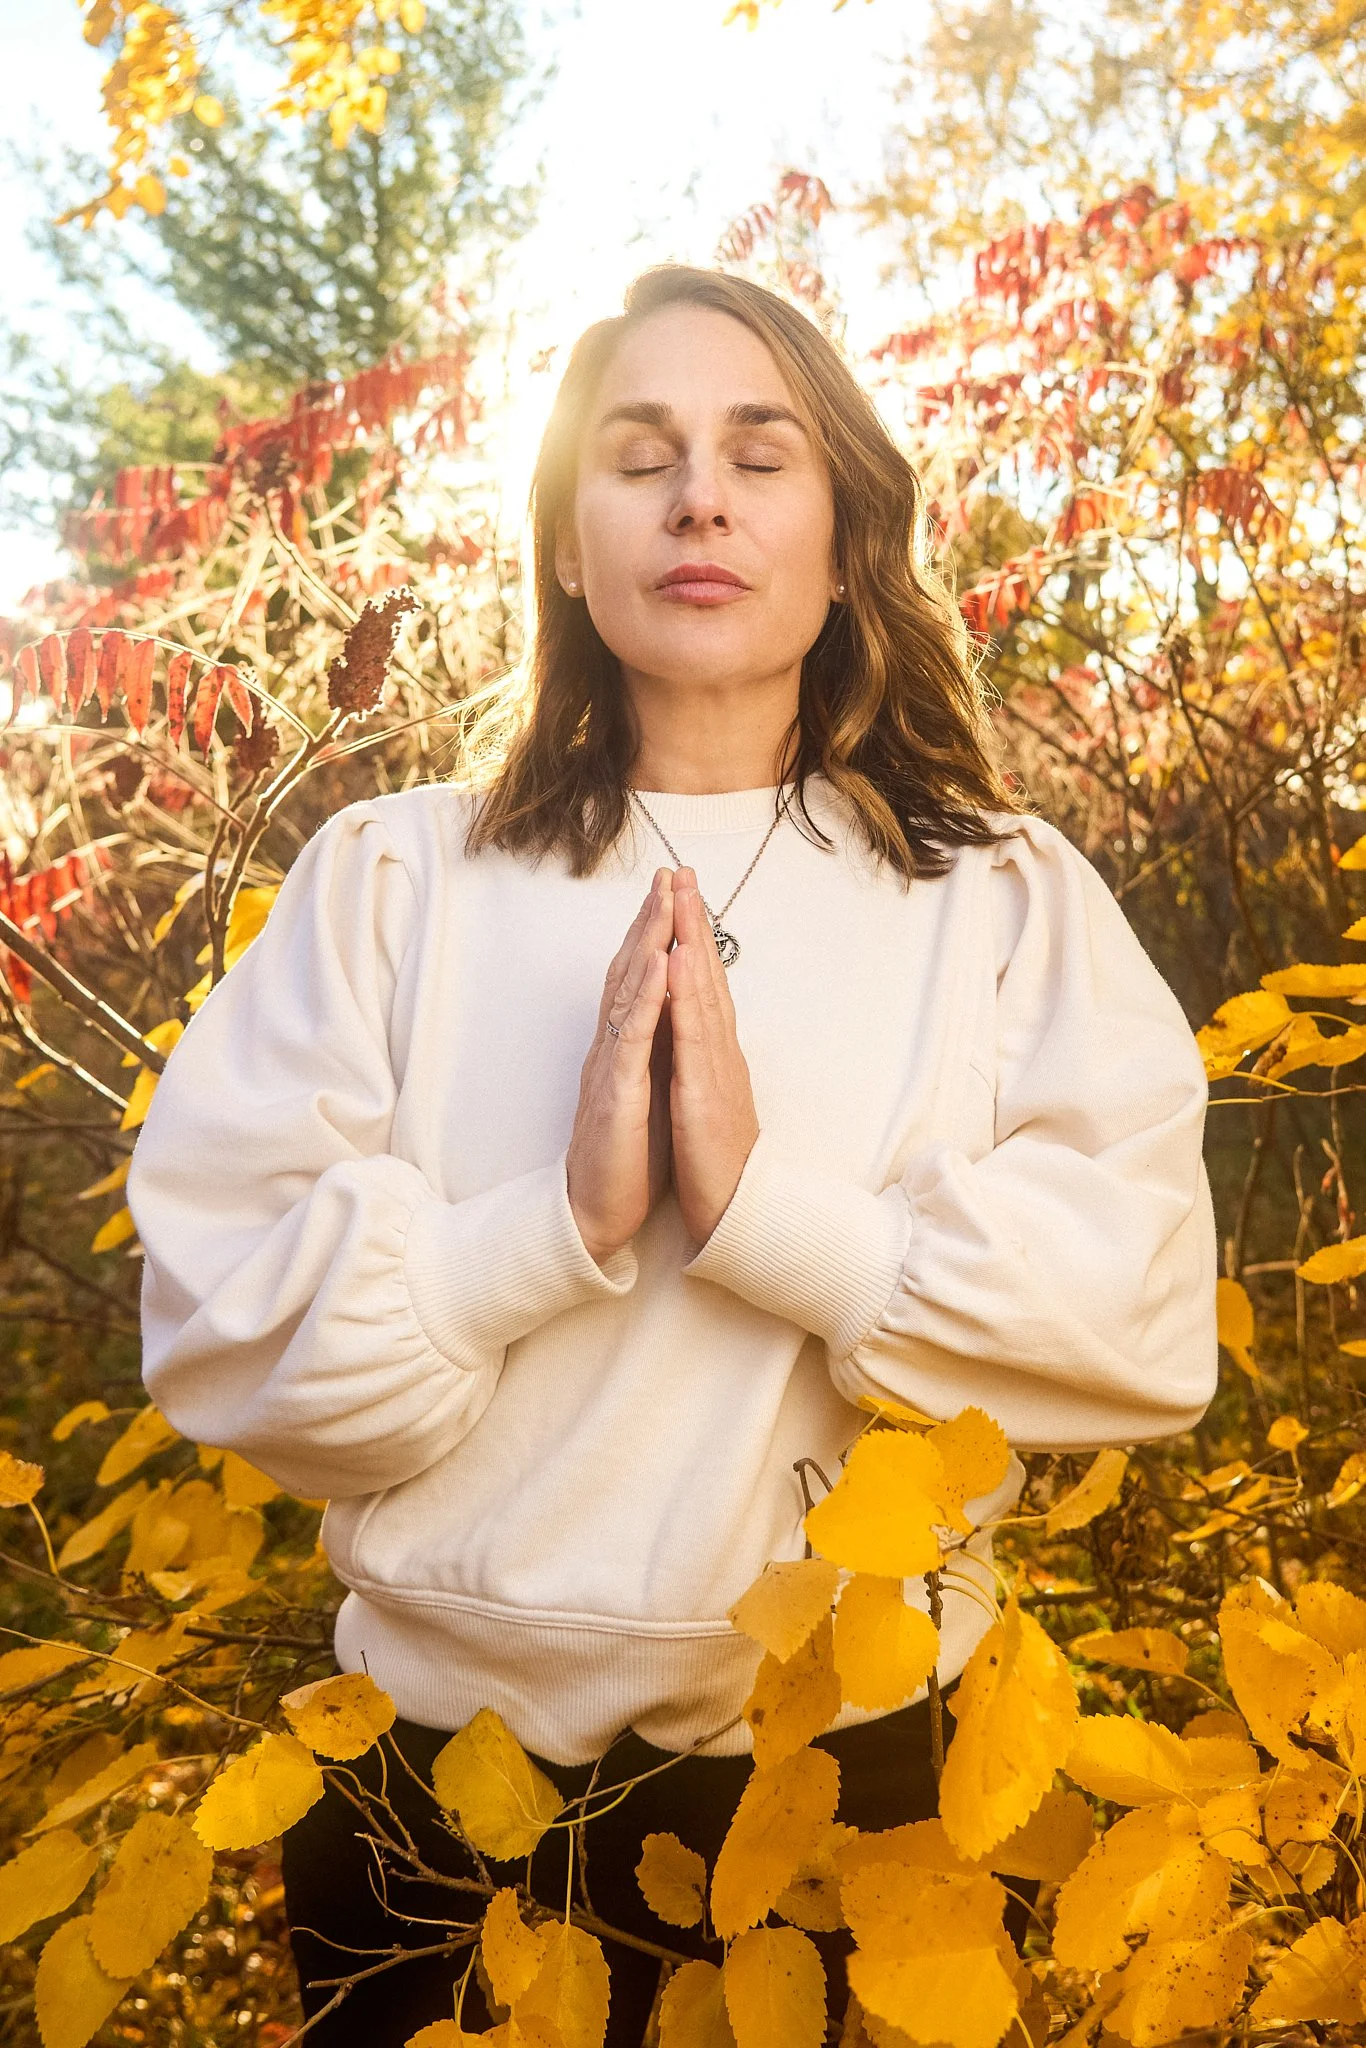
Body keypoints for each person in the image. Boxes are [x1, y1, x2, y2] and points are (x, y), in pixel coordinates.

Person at [128, 264, 1218, 2045]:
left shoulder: (998, 897)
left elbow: (1143, 1322)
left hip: (851, 1793)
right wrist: (549, 1229)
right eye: (639, 456)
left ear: (846, 535)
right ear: (567, 542)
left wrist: (773, 1222)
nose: (697, 496)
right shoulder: (392, 879)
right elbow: (226, 1323)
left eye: (757, 454)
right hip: (429, 1820)